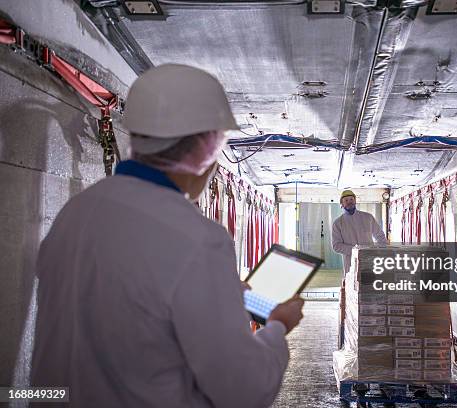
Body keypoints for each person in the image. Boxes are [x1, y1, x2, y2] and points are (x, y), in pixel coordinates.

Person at [30, 64, 304, 408]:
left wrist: (229, 295)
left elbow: (134, 296)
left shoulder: (76, 213)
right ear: (208, 148)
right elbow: (244, 388)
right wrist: (277, 326)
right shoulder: (199, 239)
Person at [331, 189, 387, 348]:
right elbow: (336, 246)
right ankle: (352, 336)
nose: (349, 202)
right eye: (346, 200)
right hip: (350, 267)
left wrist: (380, 253)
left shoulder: (368, 218)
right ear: (341, 204)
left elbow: (380, 237)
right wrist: (355, 251)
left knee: (372, 298)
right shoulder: (338, 223)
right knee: (352, 301)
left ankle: (372, 332)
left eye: (351, 199)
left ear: (355, 201)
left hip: (371, 264)